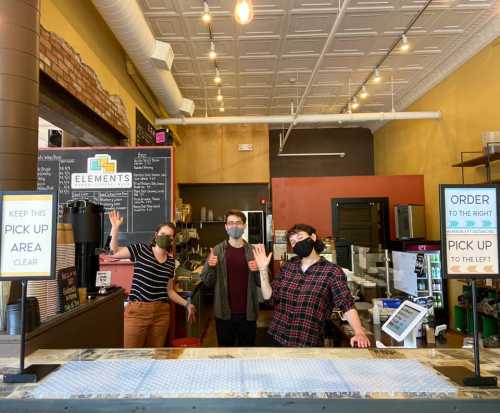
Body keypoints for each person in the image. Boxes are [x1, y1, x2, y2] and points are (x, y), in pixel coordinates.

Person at [253, 223, 370, 348]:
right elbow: (269, 298)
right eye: (292, 242)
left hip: (307, 343)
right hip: (276, 337)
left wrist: (359, 332)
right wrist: (263, 270)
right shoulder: (288, 267)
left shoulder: (332, 271)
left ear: (313, 237)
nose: (296, 243)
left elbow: (346, 303)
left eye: (300, 238)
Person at [108, 210, 196, 348]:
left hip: (161, 313)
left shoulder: (171, 262)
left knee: (155, 357)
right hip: (137, 312)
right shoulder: (141, 250)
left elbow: (169, 291)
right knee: (131, 356)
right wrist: (115, 228)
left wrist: (187, 304)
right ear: (156, 235)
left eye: (169, 236)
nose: (165, 238)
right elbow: (115, 252)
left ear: (172, 240)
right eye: (162, 234)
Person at [201, 209, 260, 346]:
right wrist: (211, 267)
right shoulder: (217, 250)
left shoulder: (253, 251)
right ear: (226, 227)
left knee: (248, 352)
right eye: (231, 223)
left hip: (248, 313)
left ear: (244, 226)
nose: (234, 226)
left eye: (238, 223)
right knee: (225, 353)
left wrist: (258, 269)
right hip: (224, 313)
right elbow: (207, 282)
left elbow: (261, 283)